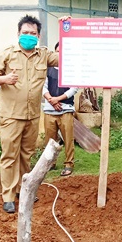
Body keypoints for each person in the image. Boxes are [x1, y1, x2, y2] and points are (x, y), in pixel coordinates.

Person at [0, 14, 59, 214]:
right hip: (10, 115)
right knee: (10, 155)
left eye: (33, 33)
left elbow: (66, 56)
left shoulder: (44, 55)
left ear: (39, 35)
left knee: (26, 155)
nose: (29, 36)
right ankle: (8, 196)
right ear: (18, 34)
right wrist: (5, 79)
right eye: (25, 32)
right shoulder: (7, 54)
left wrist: (67, 27)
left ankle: (22, 189)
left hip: (32, 115)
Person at [42, 42, 78, 177]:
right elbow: (42, 86)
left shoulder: (71, 69)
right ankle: (50, 163)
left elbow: (74, 88)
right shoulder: (47, 69)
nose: (59, 54)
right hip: (49, 110)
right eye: (57, 51)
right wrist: (52, 100)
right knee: (50, 140)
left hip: (66, 109)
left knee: (68, 139)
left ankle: (69, 164)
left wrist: (58, 99)